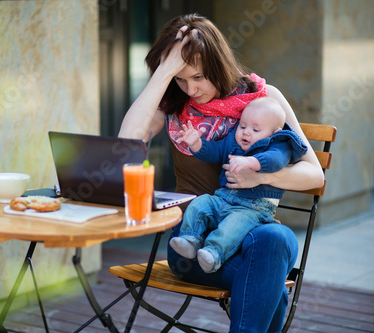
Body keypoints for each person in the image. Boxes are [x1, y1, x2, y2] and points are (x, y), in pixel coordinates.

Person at [118, 13, 324, 333]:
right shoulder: (173, 104)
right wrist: (163, 73)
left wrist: (261, 176)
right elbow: (125, 147)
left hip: (250, 230)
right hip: (193, 242)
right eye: (180, 78)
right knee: (267, 267)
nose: (190, 89)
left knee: (276, 238)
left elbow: (315, 175)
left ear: (217, 64)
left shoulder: (263, 99)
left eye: (198, 77)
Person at [169, 97, 308, 274]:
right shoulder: (233, 140)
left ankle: (213, 253)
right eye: (243, 126)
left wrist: (251, 161)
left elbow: (276, 161)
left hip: (252, 208)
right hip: (222, 198)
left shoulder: (279, 144)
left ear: (275, 132)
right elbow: (215, 152)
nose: (246, 133)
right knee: (201, 203)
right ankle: (189, 239)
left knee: (233, 226)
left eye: (255, 129)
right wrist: (197, 145)